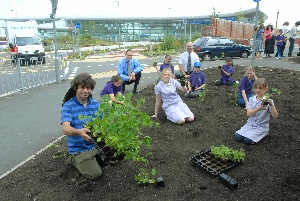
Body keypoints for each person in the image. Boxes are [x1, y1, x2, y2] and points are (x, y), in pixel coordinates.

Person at [61, 72, 102, 180]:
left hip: (95, 145)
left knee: (116, 156)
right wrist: (79, 132)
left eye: (88, 88)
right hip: (78, 149)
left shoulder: (95, 104)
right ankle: (72, 159)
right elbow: (65, 129)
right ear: (75, 88)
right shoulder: (68, 106)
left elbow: (104, 123)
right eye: (82, 87)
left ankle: (93, 157)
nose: (85, 91)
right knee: (95, 174)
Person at [234, 78, 279, 145]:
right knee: (238, 137)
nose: (258, 90)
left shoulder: (268, 101)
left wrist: (272, 105)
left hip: (261, 126)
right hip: (250, 124)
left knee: (247, 140)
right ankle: (251, 133)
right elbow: (248, 114)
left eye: (261, 88)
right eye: (256, 88)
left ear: (265, 89)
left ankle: (264, 133)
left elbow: (275, 116)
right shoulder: (251, 99)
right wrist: (259, 108)